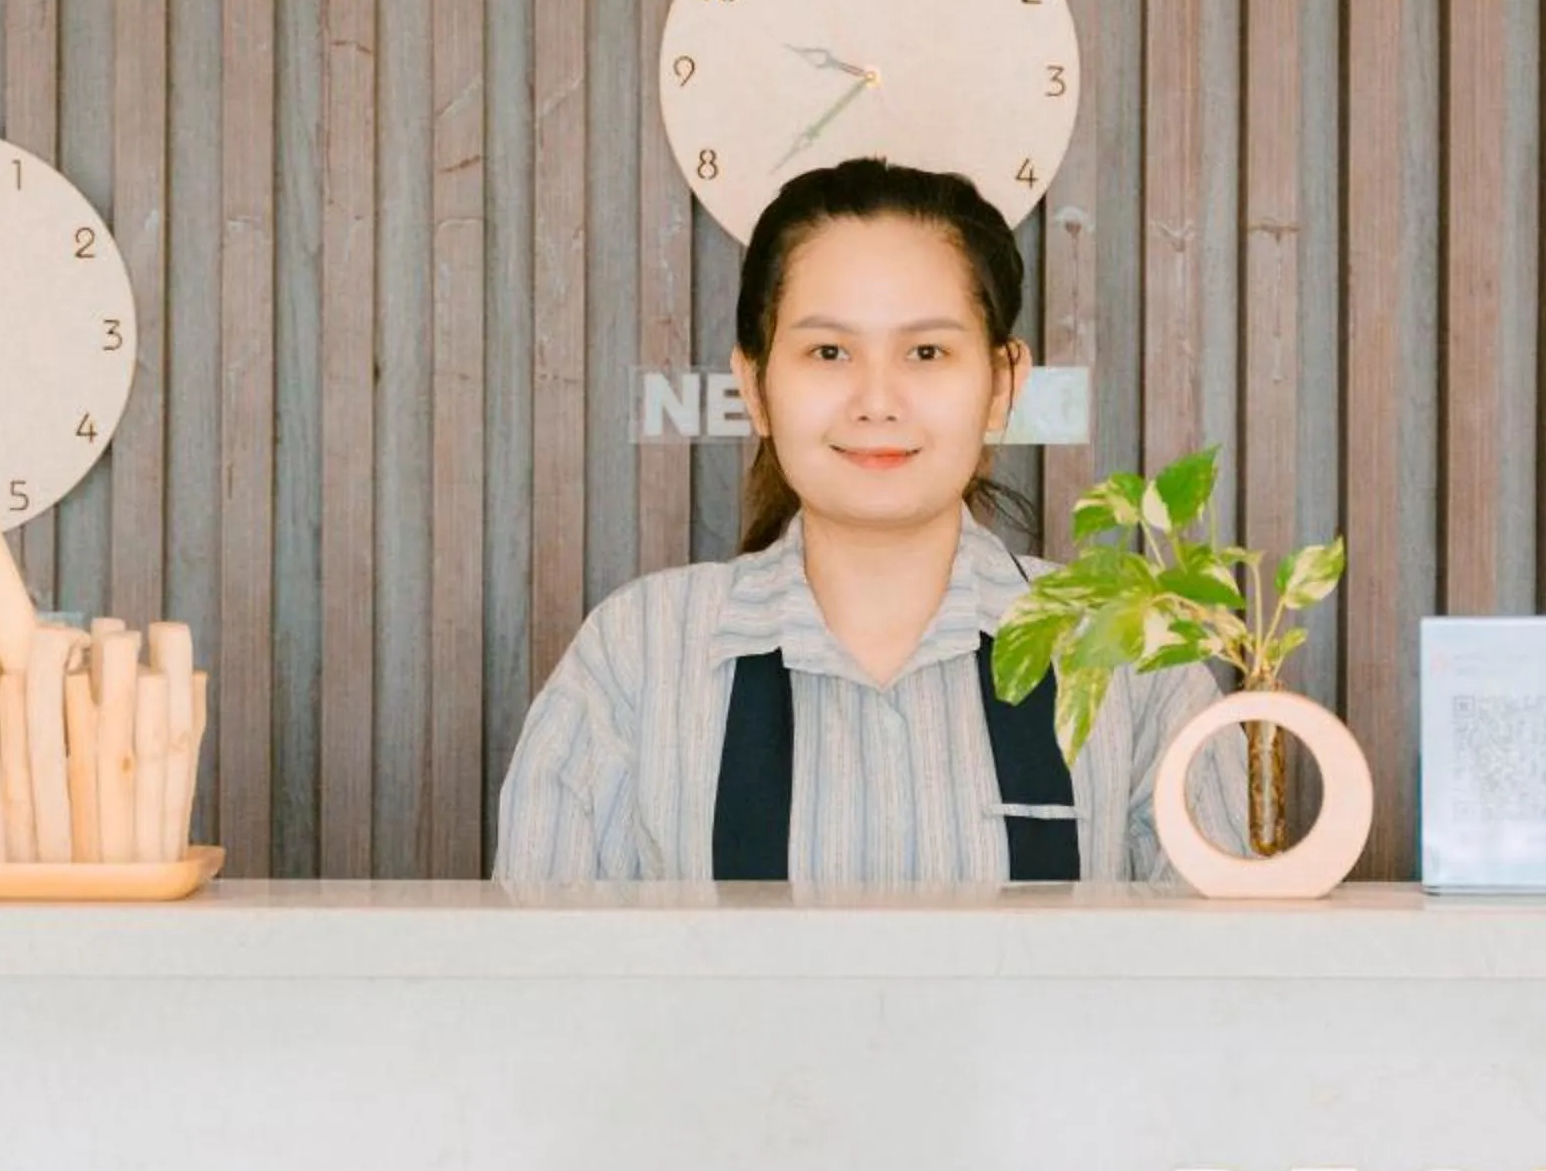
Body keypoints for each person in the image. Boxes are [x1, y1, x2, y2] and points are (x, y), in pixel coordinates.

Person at [493, 156, 1246, 883]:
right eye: (828, 351)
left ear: (1001, 384)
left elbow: (1227, 989)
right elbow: (541, 987)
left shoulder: (1130, 663)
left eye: (926, 351)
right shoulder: (638, 657)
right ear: (754, 385)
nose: (877, 399)